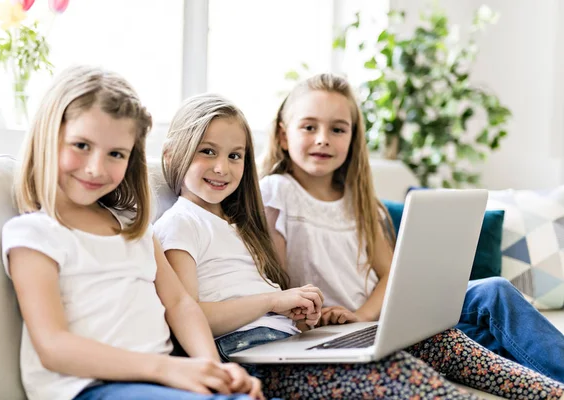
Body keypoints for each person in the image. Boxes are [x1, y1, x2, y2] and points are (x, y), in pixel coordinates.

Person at [154, 92, 564, 399]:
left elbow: (259, 293)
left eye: (235, 156)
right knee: (397, 369)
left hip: (285, 342)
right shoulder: (180, 224)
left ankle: (551, 392)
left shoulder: (237, 223)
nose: (223, 167)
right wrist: (272, 303)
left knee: (442, 340)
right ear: (174, 153)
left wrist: (298, 313)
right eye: (207, 152)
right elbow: (192, 316)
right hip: (251, 353)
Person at [259, 72, 564, 385]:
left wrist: (363, 314)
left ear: (352, 139)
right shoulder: (276, 192)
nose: (323, 138)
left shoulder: (360, 201)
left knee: (493, 291)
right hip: (338, 334)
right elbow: (277, 283)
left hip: (380, 319)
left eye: (337, 129)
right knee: (491, 337)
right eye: (309, 127)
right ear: (284, 135)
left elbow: (391, 274)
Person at [1, 66, 263, 400]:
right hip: (89, 388)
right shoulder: (34, 234)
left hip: (157, 383)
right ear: (48, 138)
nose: (96, 167)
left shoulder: (133, 226)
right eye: (81, 145)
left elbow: (181, 304)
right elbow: (54, 346)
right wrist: (166, 369)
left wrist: (214, 371)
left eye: (115, 154)